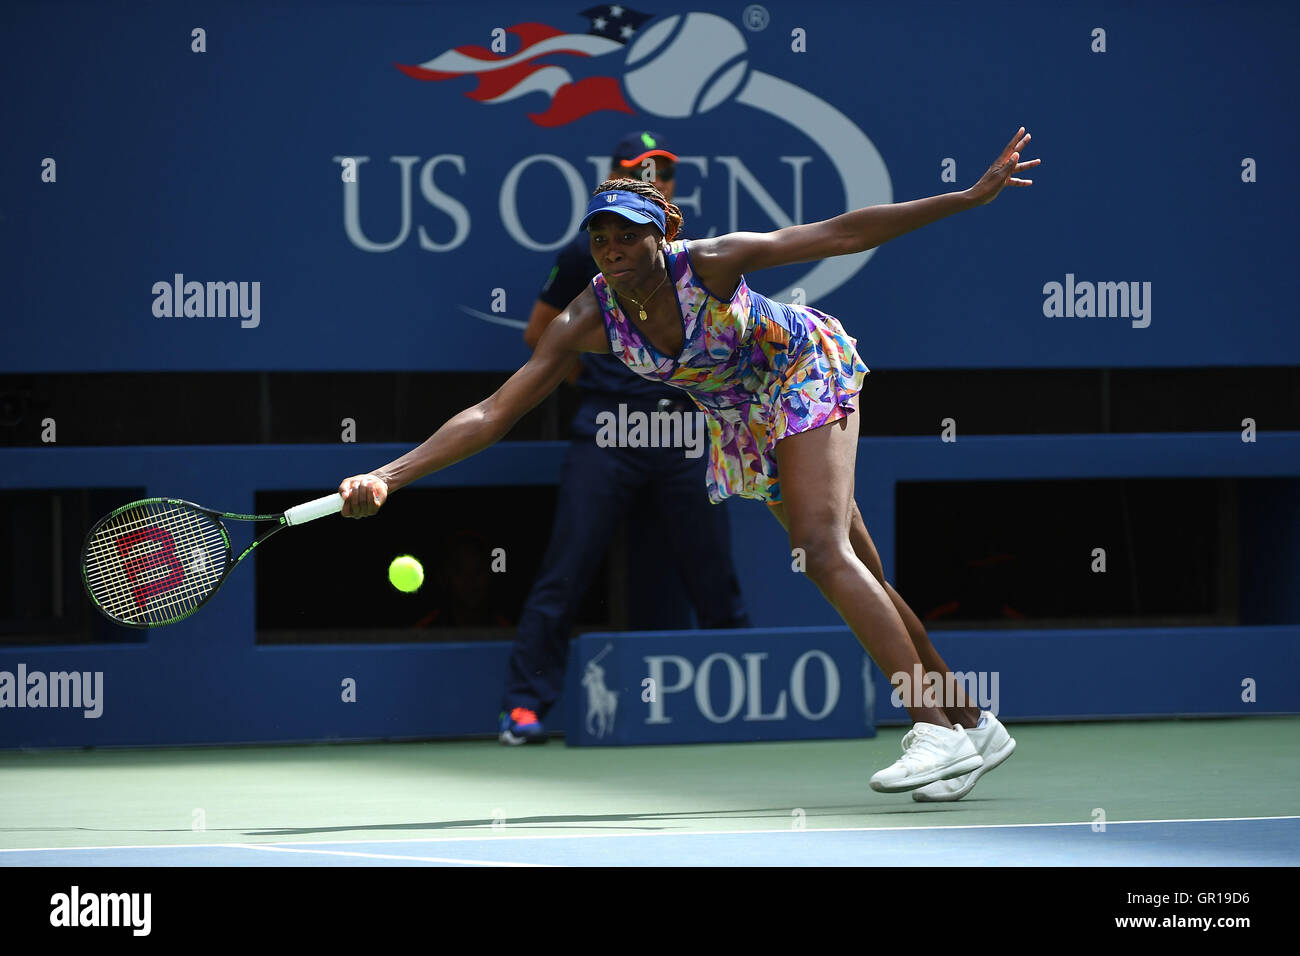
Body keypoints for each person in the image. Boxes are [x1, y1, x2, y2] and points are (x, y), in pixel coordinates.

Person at [339, 128, 1041, 800]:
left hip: (800, 370)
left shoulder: (709, 261)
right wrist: (388, 476)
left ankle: (926, 724)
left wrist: (967, 197)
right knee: (865, 576)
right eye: (600, 236)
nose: (611, 248)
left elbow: (841, 233)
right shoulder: (586, 317)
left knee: (820, 551)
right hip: (744, 418)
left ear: (661, 233)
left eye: (627, 234)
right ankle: (970, 724)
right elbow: (494, 412)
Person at [500, 131, 749, 744]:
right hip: (608, 432)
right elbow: (540, 334)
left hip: (688, 436)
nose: (655, 179)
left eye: (664, 171)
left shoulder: (695, 259)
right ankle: (526, 706)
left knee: (714, 573)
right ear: (613, 181)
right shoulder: (592, 253)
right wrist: (606, 380)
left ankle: (748, 696)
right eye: (641, 171)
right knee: (566, 567)